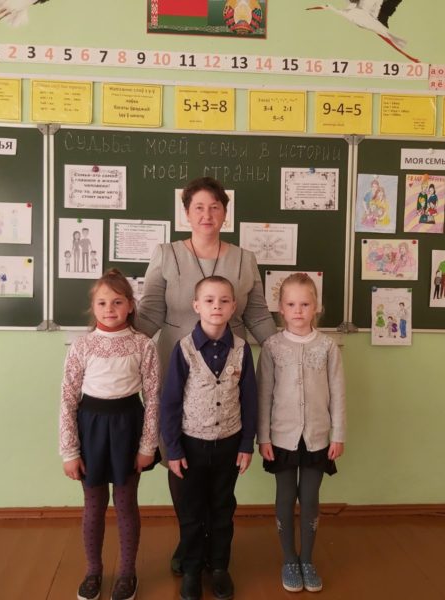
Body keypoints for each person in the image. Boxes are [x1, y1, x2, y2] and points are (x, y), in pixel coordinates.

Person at [135, 176, 276, 575]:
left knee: (220, 464)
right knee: (178, 457)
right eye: (198, 207)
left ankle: (216, 550)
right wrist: (116, 344)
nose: (207, 214)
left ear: (225, 213)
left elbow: (257, 314)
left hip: (229, 369)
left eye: (215, 206)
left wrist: (283, 349)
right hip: (177, 367)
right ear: (186, 213)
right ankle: (189, 541)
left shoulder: (245, 259)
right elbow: (149, 312)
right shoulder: (165, 254)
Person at [59, 269, 161, 600]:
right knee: (93, 505)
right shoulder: (82, 345)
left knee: (126, 504)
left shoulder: (143, 345)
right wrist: (70, 451)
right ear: (93, 306)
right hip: (90, 430)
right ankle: (93, 571)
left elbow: (153, 398)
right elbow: (68, 398)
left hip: (128, 428)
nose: (110, 309)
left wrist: (148, 446)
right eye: (102, 303)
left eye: (117, 302)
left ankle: (127, 573)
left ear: (130, 305)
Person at [160, 276, 258, 600]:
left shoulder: (242, 350)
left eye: (224, 300)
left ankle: (218, 567)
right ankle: (191, 568)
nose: (217, 306)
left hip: (229, 444)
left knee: (222, 508)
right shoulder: (184, 349)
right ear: (196, 306)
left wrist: (246, 444)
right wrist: (173, 449)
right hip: (190, 446)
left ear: (233, 306)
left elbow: (250, 399)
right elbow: (170, 402)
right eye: (210, 300)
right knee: (190, 511)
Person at [257, 273, 346, 593]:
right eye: (291, 304)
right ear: (281, 308)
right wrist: (263, 437)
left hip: (317, 438)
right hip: (281, 438)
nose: (298, 310)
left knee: (309, 498)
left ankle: (307, 559)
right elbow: (264, 394)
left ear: (316, 307)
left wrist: (338, 434)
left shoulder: (327, 346)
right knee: (285, 497)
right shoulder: (272, 347)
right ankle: (289, 559)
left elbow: (338, 392)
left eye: (305, 304)